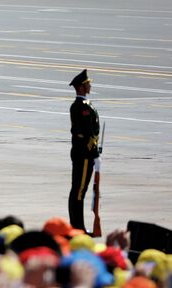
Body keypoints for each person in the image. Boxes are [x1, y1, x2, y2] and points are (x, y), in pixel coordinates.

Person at [68, 69, 100, 232]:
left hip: (85, 152)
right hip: (84, 154)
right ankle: (77, 227)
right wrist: (93, 152)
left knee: (80, 189)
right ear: (80, 87)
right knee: (79, 190)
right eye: (87, 84)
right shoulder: (79, 106)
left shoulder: (85, 105)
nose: (90, 85)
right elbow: (87, 132)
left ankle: (77, 225)